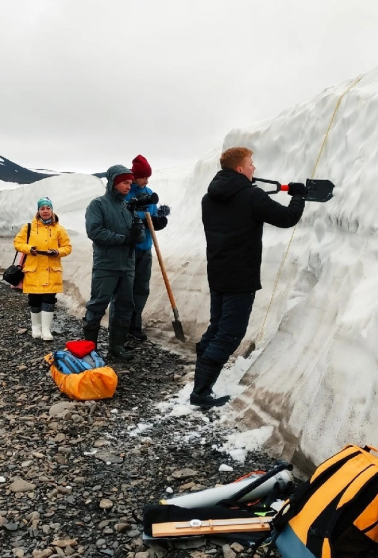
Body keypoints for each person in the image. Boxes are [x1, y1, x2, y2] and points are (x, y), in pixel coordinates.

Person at [193, 146, 307, 408]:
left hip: (218, 273)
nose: (254, 167)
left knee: (217, 326)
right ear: (240, 168)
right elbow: (287, 218)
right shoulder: (251, 196)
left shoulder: (208, 199)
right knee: (230, 333)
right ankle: (200, 392)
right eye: (251, 163)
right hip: (241, 276)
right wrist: (299, 196)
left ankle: (201, 377)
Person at [83, 165, 144, 361]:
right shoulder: (98, 205)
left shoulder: (128, 208)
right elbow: (94, 231)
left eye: (130, 183)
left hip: (127, 265)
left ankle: (116, 346)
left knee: (125, 304)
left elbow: (140, 235)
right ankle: (89, 350)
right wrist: (122, 239)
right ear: (113, 182)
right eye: (125, 182)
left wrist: (137, 233)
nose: (128, 186)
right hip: (106, 264)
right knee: (98, 304)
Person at [123, 154, 170, 342]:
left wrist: (159, 218)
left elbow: (152, 217)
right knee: (126, 289)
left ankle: (135, 325)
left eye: (147, 177)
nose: (146, 180)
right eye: (143, 177)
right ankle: (122, 326)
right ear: (134, 176)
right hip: (129, 249)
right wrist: (142, 219)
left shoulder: (150, 192)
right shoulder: (126, 193)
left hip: (146, 248)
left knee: (141, 288)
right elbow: (125, 219)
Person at [13, 197, 72, 342]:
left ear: (52, 210)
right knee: (34, 299)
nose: (45, 211)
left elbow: (67, 247)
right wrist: (28, 249)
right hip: (34, 269)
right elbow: (17, 243)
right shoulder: (28, 228)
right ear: (38, 211)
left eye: (48, 208)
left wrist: (57, 252)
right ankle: (36, 327)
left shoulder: (59, 229)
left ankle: (46, 329)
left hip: (51, 270)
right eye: (42, 208)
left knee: (49, 299)